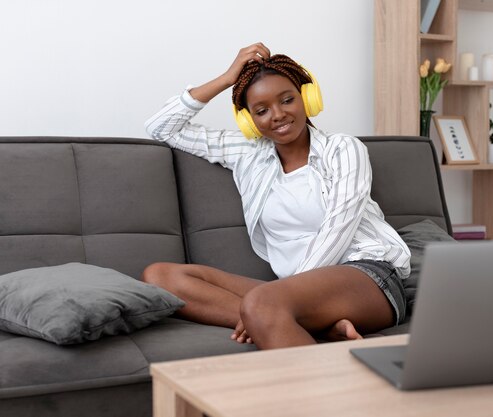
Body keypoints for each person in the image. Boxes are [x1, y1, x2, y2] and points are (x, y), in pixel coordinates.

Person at [143, 42, 411, 350]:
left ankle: (273, 317)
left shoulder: (343, 149)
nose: (278, 115)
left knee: (264, 302)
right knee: (160, 276)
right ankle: (295, 322)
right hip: (288, 292)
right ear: (248, 120)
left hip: (367, 275)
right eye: (261, 110)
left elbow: (339, 227)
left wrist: (279, 295)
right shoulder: (247, 154)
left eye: (287, 100)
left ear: (307, 97)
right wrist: (227, 78)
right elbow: (161, 127)